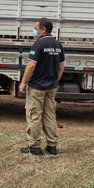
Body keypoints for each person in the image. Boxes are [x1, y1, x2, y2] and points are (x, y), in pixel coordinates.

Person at [19, 18, 65, 156]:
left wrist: (23, 82)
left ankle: (34, 146)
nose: (34, 31)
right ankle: (52, 146)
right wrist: (56, 80)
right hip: (51, 86)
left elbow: (31, 65)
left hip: (37, 86)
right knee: (50, 115)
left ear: (43, 29)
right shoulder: (58, 44)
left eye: (35, 28)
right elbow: (61, 66)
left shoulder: (38, 44)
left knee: (34, 115)